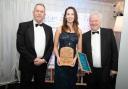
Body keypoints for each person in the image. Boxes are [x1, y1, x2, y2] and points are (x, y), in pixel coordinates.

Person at [16, 3, 53, 89]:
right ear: (33, 12)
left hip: (42, 65)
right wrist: (33, 59)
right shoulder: (23, 26)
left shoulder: (49, 29)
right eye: (37, 11)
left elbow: (51, 47)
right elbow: (20, 46)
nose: (39, 13)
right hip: (27, 64)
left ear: (44, 14)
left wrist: (44, 60)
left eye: (42, 11)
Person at [82, 12, 118, 89]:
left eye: (96, 20)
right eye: (91, 21)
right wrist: (84, 68)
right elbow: (83, 53)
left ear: (100, 21)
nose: (93, 23)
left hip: (105, 71)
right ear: (89, 22)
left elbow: (114, 51)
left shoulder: (109, 32)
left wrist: (114, 68)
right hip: (90, 72)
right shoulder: (84, 36)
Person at [54, 6, 82, 89]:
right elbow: (55, 47)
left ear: (75, 16)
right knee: (60, 83)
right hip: (60, 62)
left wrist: (75, 59)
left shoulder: (79, 31)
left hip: (72, 62)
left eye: (72, 14)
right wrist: (58, 57)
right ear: (65, 16)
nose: (70, 16)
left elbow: (79, 49)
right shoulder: (59, 29)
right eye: (68, 14)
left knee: (71, 83)